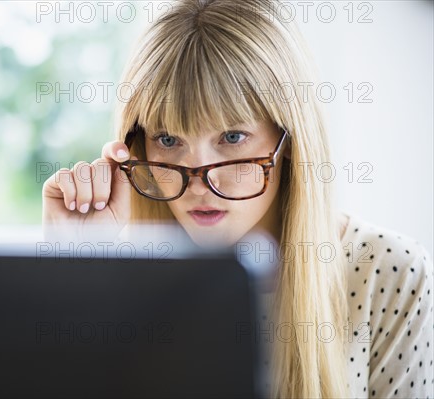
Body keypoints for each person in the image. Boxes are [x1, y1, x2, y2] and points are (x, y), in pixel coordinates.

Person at [42, 0, 433, 397]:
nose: (199, 183)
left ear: (291, 141)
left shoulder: (388, 273)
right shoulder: (121, 284)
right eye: (168, 139)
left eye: (231, 138)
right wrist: (76, 268)